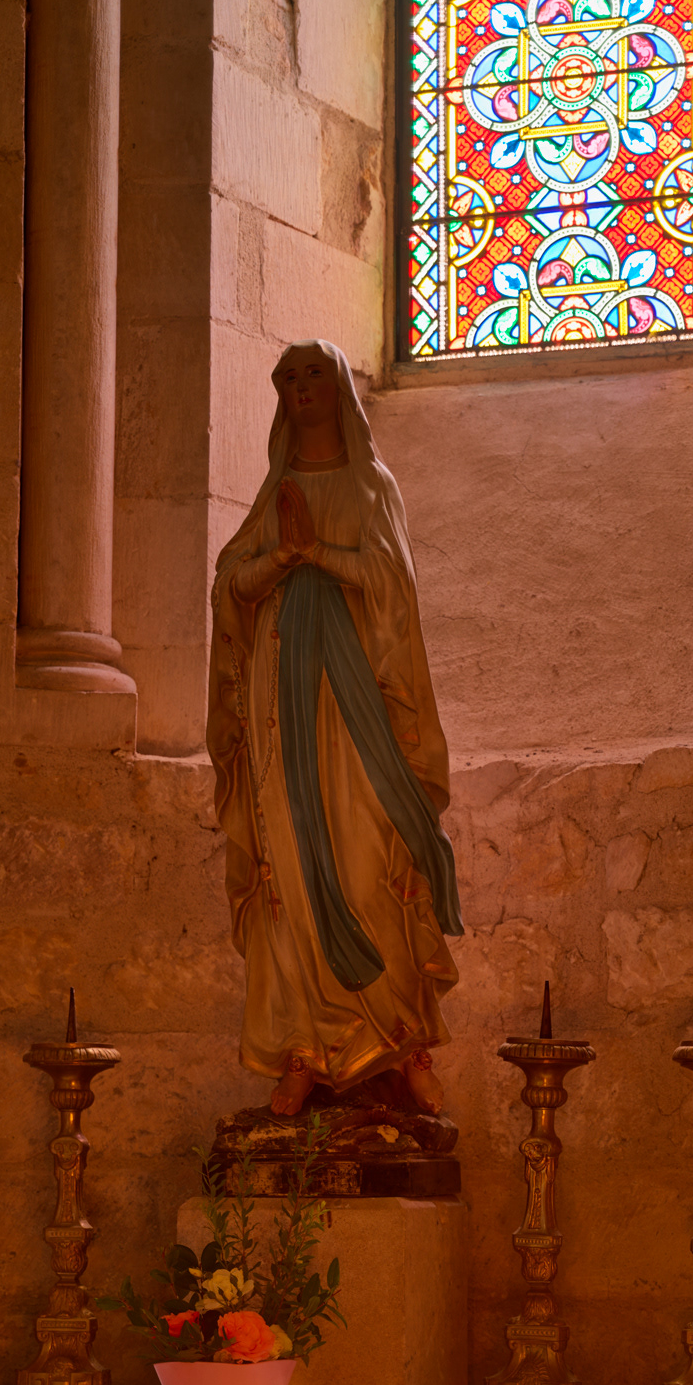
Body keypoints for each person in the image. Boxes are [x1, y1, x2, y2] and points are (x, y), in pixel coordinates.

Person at [207, 341, 462, 1117]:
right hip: (283, 705)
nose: (299, 386)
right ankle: (304, 1053)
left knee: (368, 865)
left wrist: (317, 551)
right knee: (288, 866)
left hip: (357, 711)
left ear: (342, 389)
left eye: (313, 372)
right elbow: (233, 585)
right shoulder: (273, 494)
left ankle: (401, 1041)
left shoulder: (370, 486)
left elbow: (391, 586)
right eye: (286, 377)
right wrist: (281, 559)